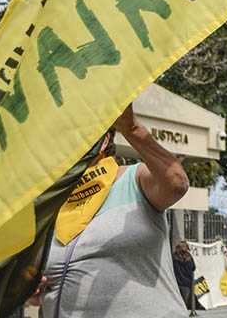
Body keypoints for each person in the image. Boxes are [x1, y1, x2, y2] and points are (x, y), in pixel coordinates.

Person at [31, 103, 190, 316]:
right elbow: (38, 287)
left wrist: (131, 127)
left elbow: (177, 184)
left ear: (104, 140)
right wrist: (32, 290)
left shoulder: (134, 179)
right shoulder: (51, 203)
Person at [174, 240, 197, 310]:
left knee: (176, 302)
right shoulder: (189, 258)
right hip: (186, 284)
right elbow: (193, 267)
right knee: (183, 303)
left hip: (175, 283)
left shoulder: (173, 257)